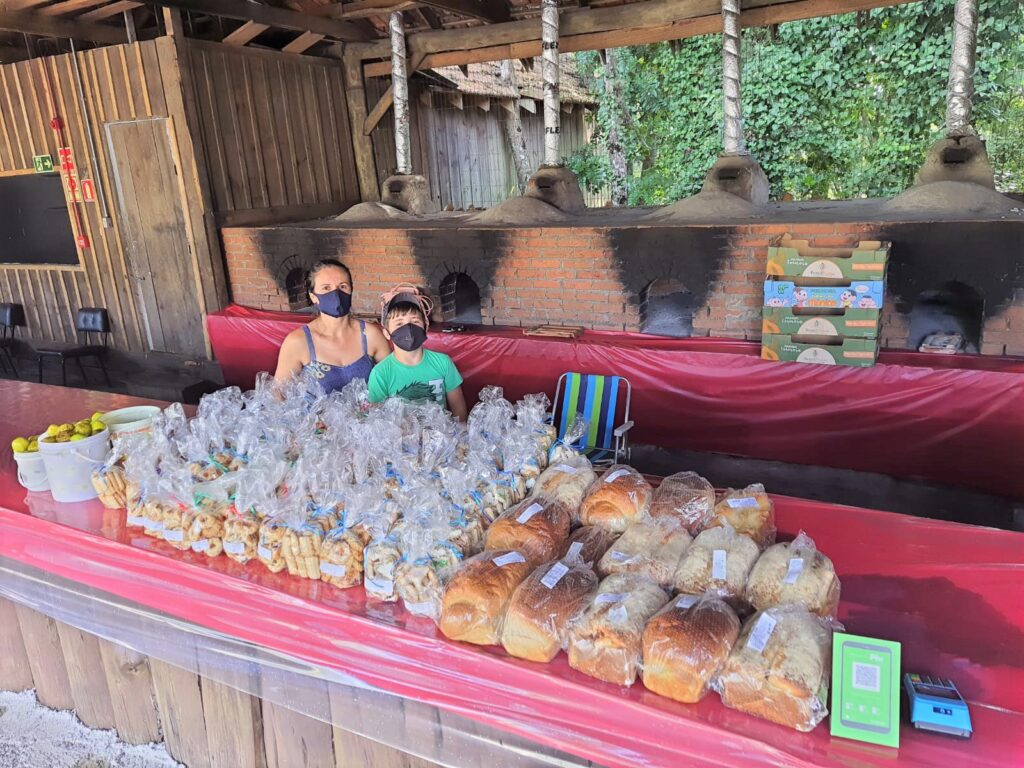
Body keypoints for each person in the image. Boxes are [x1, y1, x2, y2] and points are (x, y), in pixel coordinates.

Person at [274, 259, 390, 393]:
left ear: (351, 290)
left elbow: (392, 379)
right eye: (326, 288)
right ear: (313, 297)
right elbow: (279, 394)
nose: (336, 294)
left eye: (343, 286)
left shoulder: (371, 335)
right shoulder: (298, 342)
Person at [368, 284, 468, 422]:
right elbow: (377, 420)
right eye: (399, 323)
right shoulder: (380, 373)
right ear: (386, 333)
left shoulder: (443, 363)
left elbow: (459, 410)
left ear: (425, 327)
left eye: (415, 321)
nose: (408, 328)